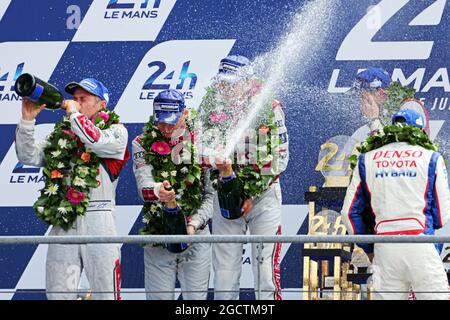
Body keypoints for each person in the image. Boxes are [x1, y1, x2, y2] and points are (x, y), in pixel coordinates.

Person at [16, 78, 129, 300]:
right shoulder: (61, 134)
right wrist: (27, 121)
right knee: (59, 293)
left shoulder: (117, 131)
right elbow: (28, 156)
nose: (75, 102)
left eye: (83, 99)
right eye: (75, 98)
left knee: (106, 292)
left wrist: (74, 113)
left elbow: (95, 140)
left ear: (102, 104)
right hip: (65, 219)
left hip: (99, 218)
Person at [200, 54, 289, 300]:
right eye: (223, 82)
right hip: (225, 194)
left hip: (264, 196)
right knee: (224, 273)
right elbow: (197, 148)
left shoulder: (270, 106)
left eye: (232, 82)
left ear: (248, 82)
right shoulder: (209, 106)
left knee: (265, 270)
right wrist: (214, 157)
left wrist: (251, 192)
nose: (226, 88)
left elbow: (282, 157)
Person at [341, 108, 450, 300]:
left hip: (385, 247)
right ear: (420, 132)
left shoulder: (367, 159)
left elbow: (349, 213)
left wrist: (370, 248)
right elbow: (443, 215)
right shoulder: (431, 157)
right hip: (420, 242)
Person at [132, 89, 214, 300]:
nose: (166, 128)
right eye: (161, 122)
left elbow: (211, 196)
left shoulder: (203, 141)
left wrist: (194, 223)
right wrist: (159, 192)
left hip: (196, 234)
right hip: (159, 233)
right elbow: (143, 186)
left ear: (185, 114)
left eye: (172, 122)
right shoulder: (141, 142)